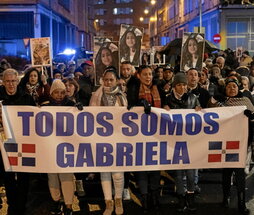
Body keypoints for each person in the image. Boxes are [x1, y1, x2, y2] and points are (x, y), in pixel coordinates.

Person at [208, 77, 252, 215]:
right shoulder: (221, 102)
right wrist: (215, 98)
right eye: (229, 87)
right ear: (225, 89)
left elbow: (253, 116)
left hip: (241, 143)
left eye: (234, 86)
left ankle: (241, 202)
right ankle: (225, 198)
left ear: (238, 88)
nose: (232, 89)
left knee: (240, 174)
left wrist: (249, 116)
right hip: (225, 143)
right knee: (226, 173)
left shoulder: (246, 101)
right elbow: (209, 109)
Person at [90, 66, 127, 215]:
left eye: (111, 80)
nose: (108, 82)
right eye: (106, 79)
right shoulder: (96, 96)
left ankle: (118, 199)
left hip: (118, 138)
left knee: (117, 172)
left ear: (116, 81)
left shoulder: (121, 96)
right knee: (104, 171)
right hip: (101, 139)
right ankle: (108, 202)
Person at [127, 65, 163, 212]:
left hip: (156, 134)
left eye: (150, 74)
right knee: (141, 166)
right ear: (139, 76)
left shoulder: (158, 88)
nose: (148, 77)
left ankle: (155, 195)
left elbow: (165, 104)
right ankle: (145, 197)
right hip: (139, 134)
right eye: (145, 74)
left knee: (155, 165)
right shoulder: (133, 89)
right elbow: (130, 106)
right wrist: (140, 105)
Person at [0, 68, 36, 215]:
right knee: (7, 175)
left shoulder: (27, 98)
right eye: (7, 81)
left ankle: (21, 205)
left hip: (23, 143)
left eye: (13, 81)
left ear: (17, 81)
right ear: (3, 82)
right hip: (3, 143)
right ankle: (12, 204)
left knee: (23, 177)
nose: (11, 84)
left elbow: (36, 118)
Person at [164, 72, 201, 212]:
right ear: (174, 86)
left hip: (191, 142)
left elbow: (201, 116)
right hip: (175, 142)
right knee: (179, 174)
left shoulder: (193, 98)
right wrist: (164, 110)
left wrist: (199, 109)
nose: (182, 87)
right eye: (179, 85)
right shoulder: (168, 99)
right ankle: (181, 198)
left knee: (191, 175)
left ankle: (190, 197)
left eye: (184, 85)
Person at [46, 79, 78, 215]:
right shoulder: (44, 107)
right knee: (52, 175)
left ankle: (68, 205)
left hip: (66, 146)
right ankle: (56, 200)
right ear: (51, 93)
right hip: (50, 146)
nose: (59, 95)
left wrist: (79, 110)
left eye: (62, 92)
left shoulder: (71, 105)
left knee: (66, 175)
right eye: (56, 92)